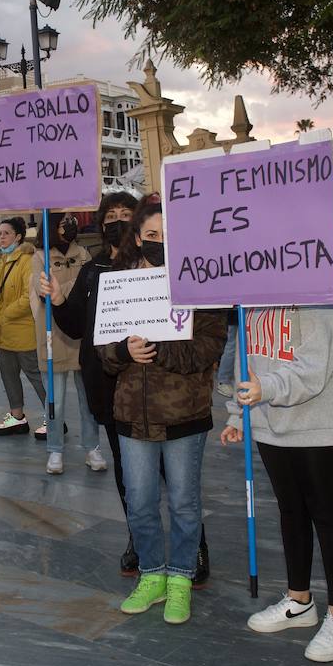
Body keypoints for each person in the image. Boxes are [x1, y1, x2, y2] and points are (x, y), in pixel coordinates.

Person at [97, 201, 226, 625]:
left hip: (184, 413)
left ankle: (181, 580)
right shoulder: (118, 282)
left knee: (185, 505)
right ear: (137, 237)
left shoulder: (202, 285)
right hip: (132, 414)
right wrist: (123, 349)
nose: (160, 244)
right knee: (140, 503)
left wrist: (161, 348)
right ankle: (151, 574)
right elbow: (105, 354)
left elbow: (210, 346)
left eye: (169, 238)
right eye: (152, 236)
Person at [225, 286, 333, 663]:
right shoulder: (255, 285)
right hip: (270, 422)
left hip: (320, 423)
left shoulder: (326, 284)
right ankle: (299, 600)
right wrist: (239, 414)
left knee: (326, 514)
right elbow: (246, 356)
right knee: (291, 512)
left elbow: (318, 363)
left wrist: (266, 388)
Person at [30, 211, 98, 474]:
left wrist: (64, 288)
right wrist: (72, 288)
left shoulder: (83, 254)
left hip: (81, 335)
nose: (69, 225)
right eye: (63, 221)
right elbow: (42, 289)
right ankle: (55, 450)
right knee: (55, 401)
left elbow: (90, 290)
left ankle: (92, 447)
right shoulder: (38, 257)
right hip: (53, 336)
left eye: (71, 221)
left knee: (88, 399)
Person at [0, 217, 46, 436]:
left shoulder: (27, 260)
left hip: (24, 333)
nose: (1, 237)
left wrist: (4, 315)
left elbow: (28, 297)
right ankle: (17, 416)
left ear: (18, 236)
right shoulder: (3, 261)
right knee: (9, 376)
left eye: (6, 233)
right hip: (4, 334)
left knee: (36, 377)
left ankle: (53, 417)